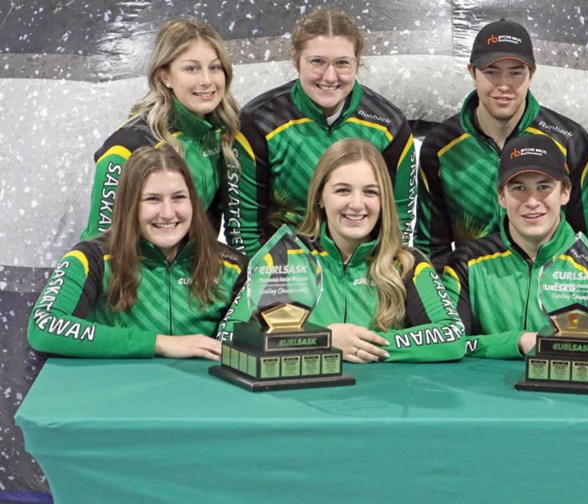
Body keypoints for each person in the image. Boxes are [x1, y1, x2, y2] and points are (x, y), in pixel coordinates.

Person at [220, 138, 464, 363]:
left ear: (383, 201)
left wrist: (362, 344)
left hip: (382, 401)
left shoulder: (407, 263)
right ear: (320, 197)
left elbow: (452, 336)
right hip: (302, 401)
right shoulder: (281, 256)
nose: (356, 205)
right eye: (342, 190)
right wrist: (322, 339)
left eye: (370, 192)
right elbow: (229, 335)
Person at [416, 19, 588, 270]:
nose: (504, 85)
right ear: (472, 72)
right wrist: (451, 303)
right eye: (491, 72)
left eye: (515, 72)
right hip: (471, 292)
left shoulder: (569, 141)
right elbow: (431, 248)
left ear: (532, 74)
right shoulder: (441, 146)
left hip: (551, 296)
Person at [228, 8, 417, 258]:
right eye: (317, 61)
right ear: (295, 57)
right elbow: (244, 229)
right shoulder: (259, 121)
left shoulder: (389, 125)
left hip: (362, 266)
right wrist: (267, 288)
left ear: (357, 61)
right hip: (286, 271)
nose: (330, 77)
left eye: (342, 63)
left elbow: (399, 220)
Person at [30, 145, 246, 359]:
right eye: (153, 199)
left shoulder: (233, 267)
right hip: (115, 389)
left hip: (200, 391)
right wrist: (159, 344)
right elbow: (43, 326)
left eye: (179, 197)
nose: (168, 213)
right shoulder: (91, 259)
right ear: (129, 204)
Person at [443, 135, 588, 359]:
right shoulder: (466, 263)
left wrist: (539, 346)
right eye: (519, 188)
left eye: (543, 187)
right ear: (501, 197)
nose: (532, 201)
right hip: (483, 390)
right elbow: (448, 343)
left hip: (564, 393)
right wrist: (518, 342)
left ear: (565, 193)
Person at [82, 18, 240, 240]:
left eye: (215, 67)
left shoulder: (223, 133)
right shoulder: (127, 149)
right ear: (165, 76)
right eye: (191, 68)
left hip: (196, 270)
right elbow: (100, 247)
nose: (206, 80)